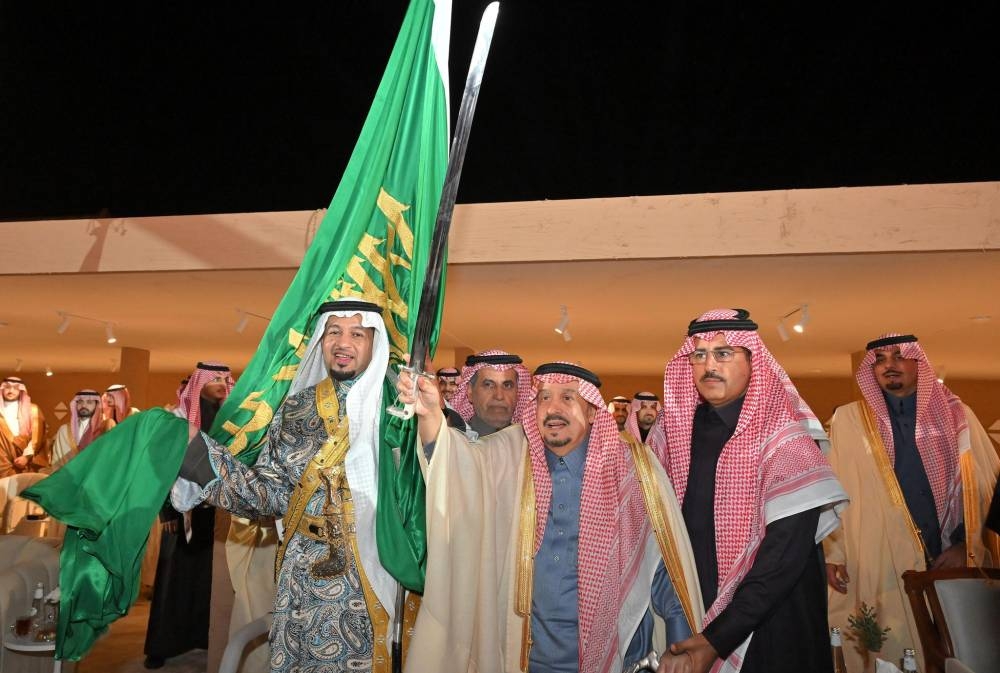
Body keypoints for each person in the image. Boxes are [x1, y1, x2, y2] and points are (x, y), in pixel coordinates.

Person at [400, 360, 703, 673]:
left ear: (592, 411)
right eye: (544, 397)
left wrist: (680, 650)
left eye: (568, 397)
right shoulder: (512, 455)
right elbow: (459, 466)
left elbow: (662, 572)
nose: (553, 408)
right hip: (526, 661)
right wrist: (431, 415)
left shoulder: (630, 470)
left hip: (616, 661)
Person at [174, 300, 402, 673]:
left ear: (375, 343)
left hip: (375, 571)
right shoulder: (297, 408)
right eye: (334, 332)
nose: (343, 343)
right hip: (301, 571)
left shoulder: (398, 411)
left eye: (357, 334)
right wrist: (197, 455)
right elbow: (271, 492)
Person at [653, 308, 847, 673]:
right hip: (696, 614)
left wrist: (718, 638)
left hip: (773, 625)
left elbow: (782, 557)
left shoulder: (788, 442)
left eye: (723, 353)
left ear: (753, 360)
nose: (709, 365)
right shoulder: (672, 435)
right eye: (699, 355)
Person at [823, 333, 1000, 672]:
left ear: (919, 363)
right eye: (880, 359)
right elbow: (836, 487)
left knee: (956, 648)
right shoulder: (850, 420)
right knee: (891, 642)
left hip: (949, 557)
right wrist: (834, 554)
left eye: (898, 356)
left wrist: (965, 545)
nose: (888, 365)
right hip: (880, 557)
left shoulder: (957, 414)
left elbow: (983, 488)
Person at [144, 362, 234, 669]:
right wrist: (166, 510)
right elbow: (159, 469)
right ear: (199, 384)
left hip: (219, 514)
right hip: (182, 513)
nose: (221, 382)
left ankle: (205, 638)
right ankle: (162, 646)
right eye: (214, 378)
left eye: (224, 378)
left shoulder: (231, 420)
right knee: (174, 581)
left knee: (210, 581)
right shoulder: (178, 420)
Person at [451, 349, 532, 439]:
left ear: (517, 393)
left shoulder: (525, 444)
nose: (499, 396)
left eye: (507, 385)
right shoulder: (452, 442)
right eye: (488, 385)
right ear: (470, 391)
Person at [48, 389, 115, 472]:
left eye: (89, 402)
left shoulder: (106, 427)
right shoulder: (64, 430)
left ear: (97, 405)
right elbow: (56, 463)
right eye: (80, 402)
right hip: (68, 477)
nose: (84, 405)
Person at [0, 375, 49, 477]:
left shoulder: (33, 410)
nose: (11, 391)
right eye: (7, 387)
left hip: (25, 461)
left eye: (15, 388)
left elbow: (37, 437)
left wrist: (26, 457)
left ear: (21, 390)